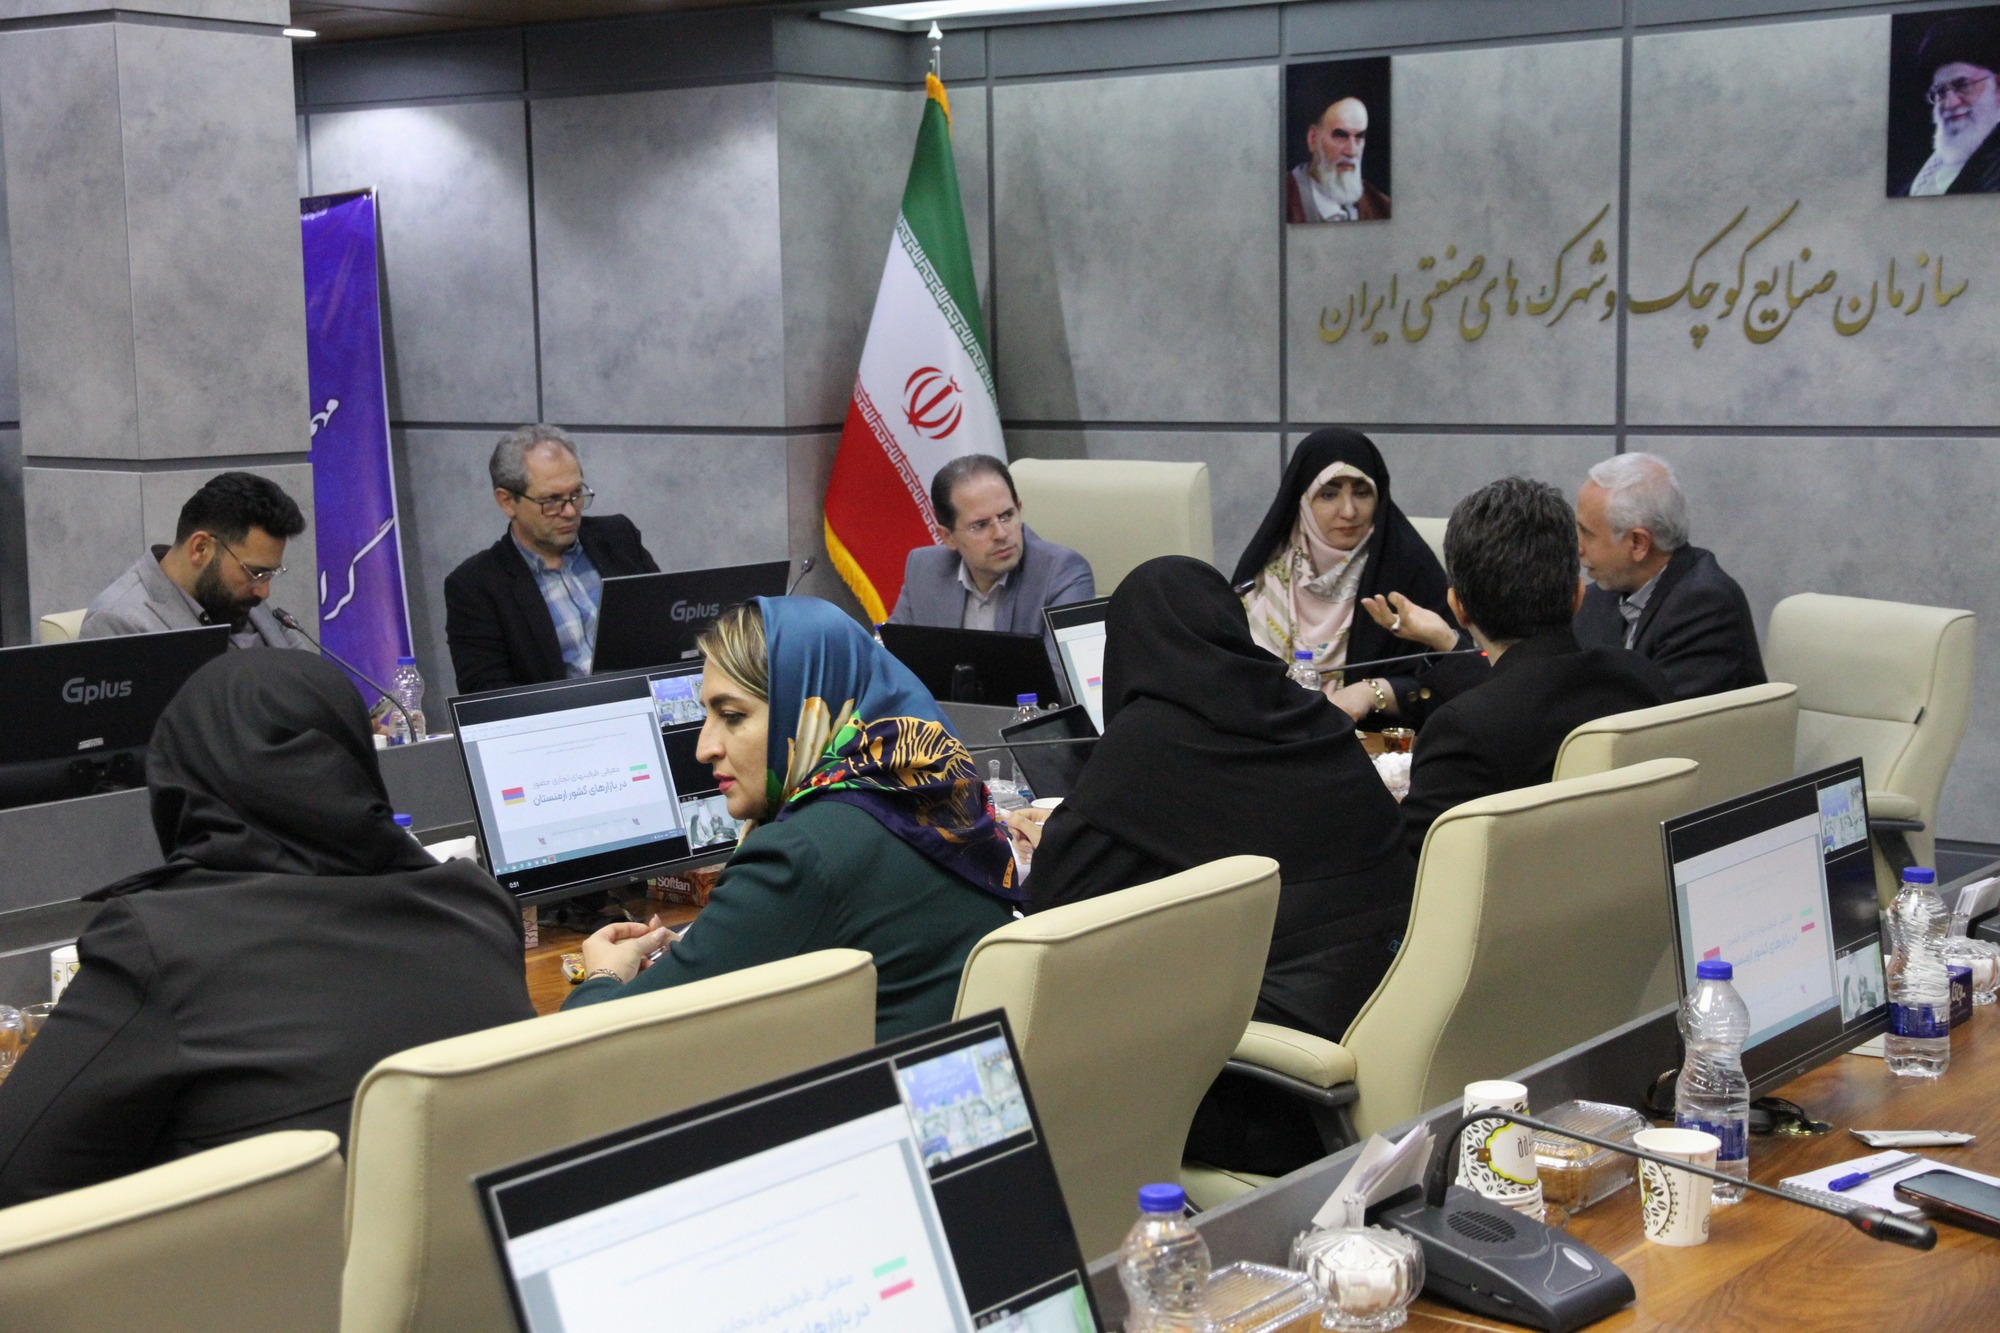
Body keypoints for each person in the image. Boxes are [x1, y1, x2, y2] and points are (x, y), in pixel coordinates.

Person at [0, 652, 533, 1205]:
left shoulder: (162, 944)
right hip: (481, 1252)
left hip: (280, 1261)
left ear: (181, 777)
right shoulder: (477, 904)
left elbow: (13, 1175)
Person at [565, 596, 1021, 1042]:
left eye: (732, 716)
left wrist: (603, 975)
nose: (704, 748)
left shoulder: (799, 854)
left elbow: (591, 1047)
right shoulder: (932, 796)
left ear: (806, 709)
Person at [1013, 556, 1414, 1045]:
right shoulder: (1306, 710)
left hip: (1284, 1016)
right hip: (1394, 982)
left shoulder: (1148, 740)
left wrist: (1055, 839)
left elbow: (1057, 902)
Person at [1393, 477, 1672, 858]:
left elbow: (1418, 870)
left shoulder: (1462, 731)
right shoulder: (1639, 676)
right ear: (1578, 596)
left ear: (1458, 608)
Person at [1233, 428, 1459, 724]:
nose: (1349, 511)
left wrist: (1373, 691)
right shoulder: (1263, 576)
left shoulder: (1408, 571)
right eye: (1329, 494)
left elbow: (1457, 678)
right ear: (1303, 499)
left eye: (1362, 493)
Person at [445, 423, 658, 694]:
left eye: (576, 494)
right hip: (563, 716)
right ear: (507, 502)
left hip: (647, 701)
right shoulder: (476, 586)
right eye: (552, 500)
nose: (569, 512)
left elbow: (667, 627)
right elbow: (486, 693)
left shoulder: (618, 538)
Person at [1573, 452, 1765, 701]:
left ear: (1638, 543)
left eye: (1587, 533)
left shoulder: (1705, 605)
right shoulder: (1599, 596)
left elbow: (1658, 714)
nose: (1578, 547)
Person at [80, 471, 313, 649]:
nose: (264, 592)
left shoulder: (241, 598)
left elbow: (306, 683)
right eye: (256, 573)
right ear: (200, 548)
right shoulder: (119, 623)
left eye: (270, 574)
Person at [887, 455, 1095, 651]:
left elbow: (1061, 672)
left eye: (1006, 516)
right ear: (948, 537)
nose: (1001, 534)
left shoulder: (1063, 573)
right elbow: (890, 658)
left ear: (1019, 508)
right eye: (980, 525)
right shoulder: (924, 569)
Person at [1901, 13, 2000, 197]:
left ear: (1997, 87)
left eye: (1963, 85)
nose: (1950, 103)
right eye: (1940, 92)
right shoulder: (1925, 169)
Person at [1286, 96, 1390, 223]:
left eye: (1359, 137)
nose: (1351, 151)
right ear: (1313, 138)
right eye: (1340, 136)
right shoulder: (1280, 197)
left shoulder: (1380, 206)